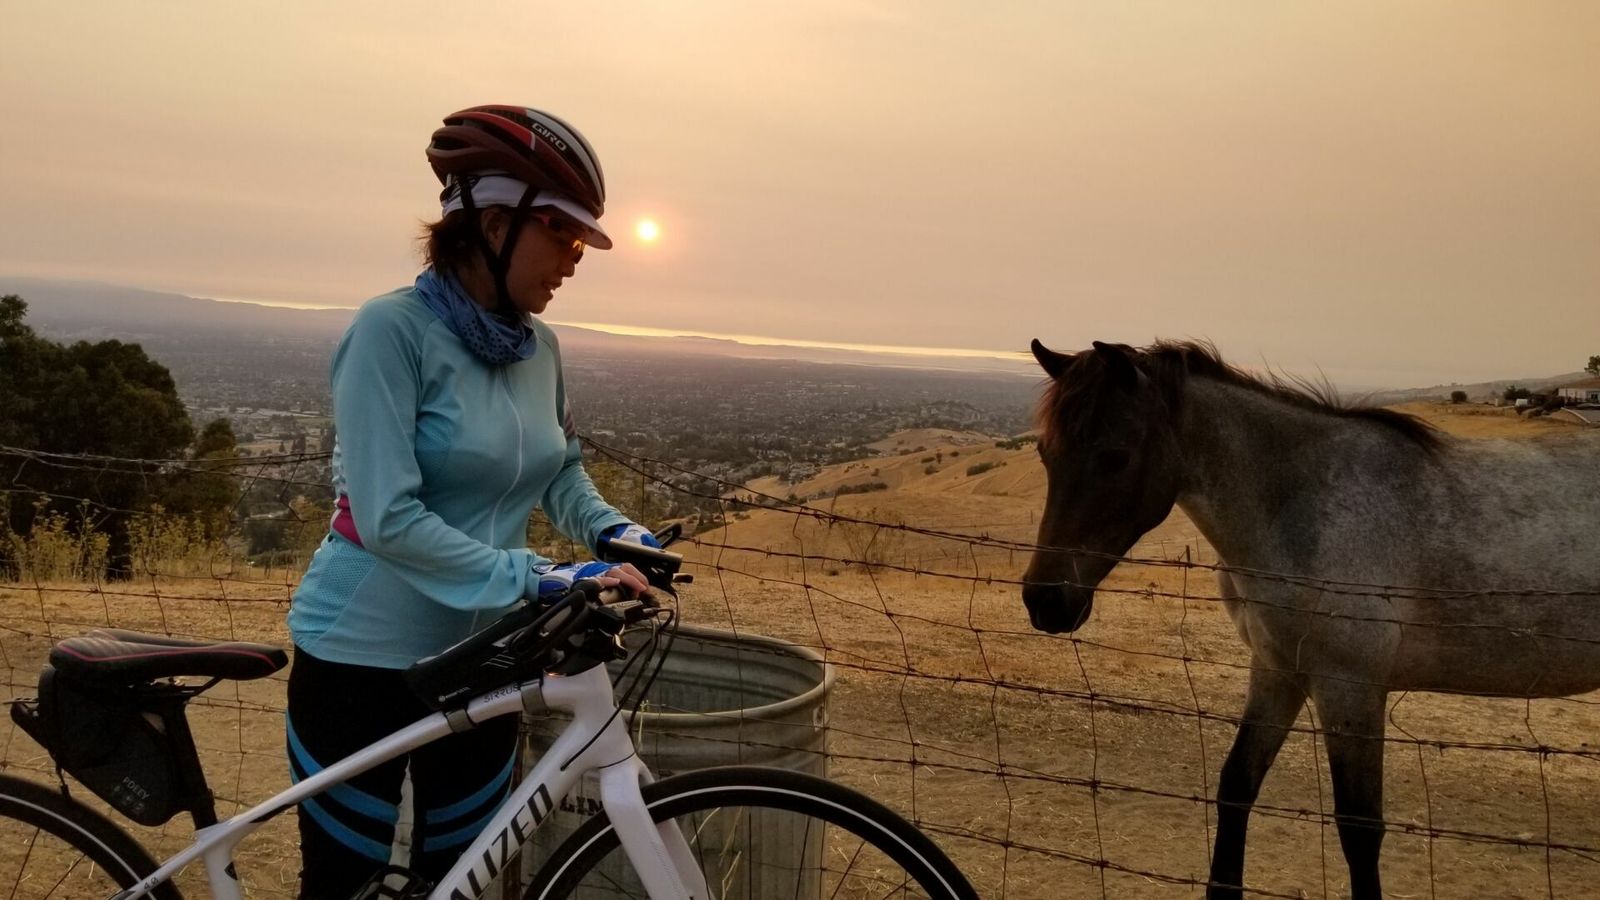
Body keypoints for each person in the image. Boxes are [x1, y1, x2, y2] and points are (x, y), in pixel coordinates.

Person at [284, 105, 660, 899]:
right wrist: (539, 576)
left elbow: (560, 471)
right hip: (362, 660)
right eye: (562, 236)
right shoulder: (391, 331)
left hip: (488, 658)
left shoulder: (538, 347)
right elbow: (388, 518)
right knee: (345, 885)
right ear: (494, 223)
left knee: (460, 884)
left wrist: (614, 532)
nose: (574, 261)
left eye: (582, 244)